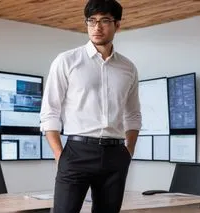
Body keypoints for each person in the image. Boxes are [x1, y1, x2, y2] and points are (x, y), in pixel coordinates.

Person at [40, 0, 141, 212]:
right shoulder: (67, 61)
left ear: (117, 25)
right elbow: (50, 112)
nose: (97, 27)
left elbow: (133, 114)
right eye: (91, 21)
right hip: (77, 152)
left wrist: (128, 152)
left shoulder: (128, 68)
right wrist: (61, 155)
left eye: (105, 21)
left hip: (115, 154)